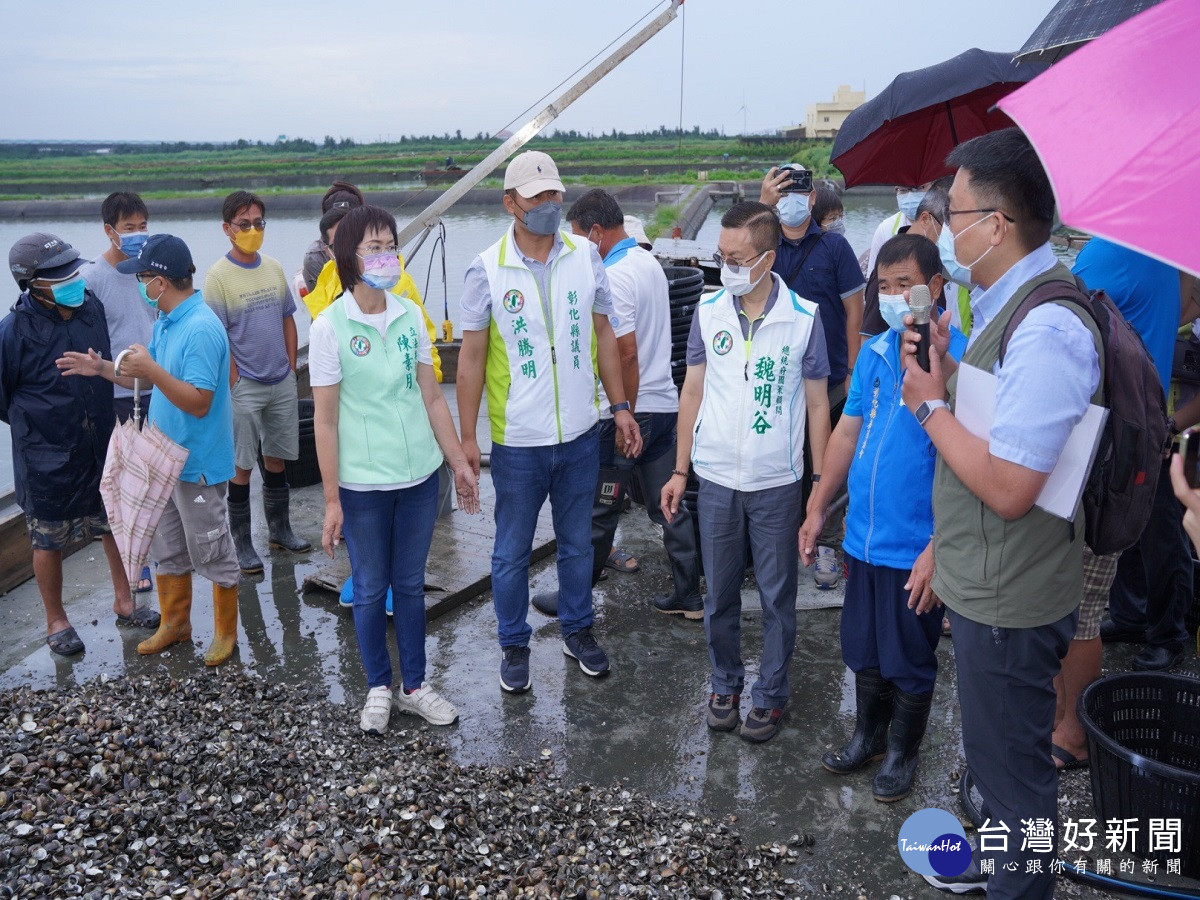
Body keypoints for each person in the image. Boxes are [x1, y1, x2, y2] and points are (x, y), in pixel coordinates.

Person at [900, 127, 1101, 898]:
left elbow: (1014, 485)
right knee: (999, 763)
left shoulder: (1046, 327)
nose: (942, 229)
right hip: (988, 572)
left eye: (952, 213)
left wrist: (926, 406)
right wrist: (947, 373)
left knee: (1017, 791)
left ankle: (1019, 883)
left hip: (1010, 599)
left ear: (996, 223)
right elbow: (995, 429)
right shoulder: (1005, 304)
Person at [456, 150, 641, 694]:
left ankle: (578, 630)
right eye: (536, 197)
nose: (549, 205)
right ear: (510, 202)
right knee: (511, 551)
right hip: (518, 443)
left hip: (582, 434)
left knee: (578, 543)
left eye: (555, 194)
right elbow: (468, 359)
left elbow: (605, 334)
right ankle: (513, 645)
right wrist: (467, 438)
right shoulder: (485, 269)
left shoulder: (586, 256)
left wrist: (621, 406)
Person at [802, 234, 965, 800]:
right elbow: (849, 430)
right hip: (864, 541)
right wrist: (820, 500)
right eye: (885, 285)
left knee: (909, 655)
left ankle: (902, 751)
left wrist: (938, 547)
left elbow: (968, 465)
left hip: (913, 546)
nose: (894, 296)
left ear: (936, 287)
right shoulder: (873, 352)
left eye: (906, 285)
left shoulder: (957, 359)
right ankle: (868, 735)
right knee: (864, 647)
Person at [661, 201, 831, 744]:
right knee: (720, 594)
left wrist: (819, 490)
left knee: (780, 596)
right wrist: (680, 470)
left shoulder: (803, 317)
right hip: (715, 478)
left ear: (767, 258)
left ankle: (772, 693)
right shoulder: (709, 310)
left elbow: (819, 406)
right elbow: (691, 391)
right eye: (721, 256)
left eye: (736, 258)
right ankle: (725, 682)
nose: (726, 266)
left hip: (778, 482)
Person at [311, 205, 479, 733]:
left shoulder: (409, 313)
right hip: (363, 484)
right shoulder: (329, 326)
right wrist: (332, 499)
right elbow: (325, 419)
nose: (386, 257)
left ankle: (415, 686)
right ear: (349, 258)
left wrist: (458, 463)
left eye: (390, 246)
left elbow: (432, 397)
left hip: (419, 477)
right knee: (369, 587)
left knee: (409, 584)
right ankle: (378, 687)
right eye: (374, 248)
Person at [59, 234, 242, 666]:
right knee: (168, 548)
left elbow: (199, 401)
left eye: (142, 276)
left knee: (212, 548)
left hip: (196, 464)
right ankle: (176, 624)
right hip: (162, 460)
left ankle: (225, 632)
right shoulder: (166, 319)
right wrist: (103, 368)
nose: (139, 284)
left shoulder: (200, 327)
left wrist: (153, 369)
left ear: (161, 280)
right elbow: (145, 379)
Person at [531, 189, 702, 619]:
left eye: (577, 237)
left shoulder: (616, 273)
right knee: (669, 504)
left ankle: (574, 601)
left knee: (599, 510)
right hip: (664, 406)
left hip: (631, 413)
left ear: (595, 231)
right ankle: (690, 594)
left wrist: (620, 408)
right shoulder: (649, 263)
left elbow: (626, 352)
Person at [3, 233, 158, 656]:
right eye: (58, 276)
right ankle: (57, 621)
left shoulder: (90, 307)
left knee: (113, 527)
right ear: (32, 285)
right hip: (46, 457)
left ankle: (125, 601)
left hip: (101, 442)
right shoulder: (14, 331)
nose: (72, 280)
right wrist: (40, 427)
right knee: (47, 539)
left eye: (73, 270)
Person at [1073, 238, 1192, 673]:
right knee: (1132, 524)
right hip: (1145, 411)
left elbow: (1069, 313)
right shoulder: (1162, 256)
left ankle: (1167, 634)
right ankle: (1131, 616)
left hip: (1131, 418)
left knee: (1155, 531)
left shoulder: (1109, 254)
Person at [759, 163, 865, 589]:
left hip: (833, 379)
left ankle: (828, 547)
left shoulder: (835, 249)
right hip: (778, 380)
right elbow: (734, 269)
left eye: (797, 193)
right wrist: (763, 207)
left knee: (830, 466)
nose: (790, 202)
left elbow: (855, 309)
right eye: (781, 193)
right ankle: (779, 544)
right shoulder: (763, 247)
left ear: (812, 199)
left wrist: (855, 368)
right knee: (786, 462)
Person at [205, 190, 311, 575]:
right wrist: (234, 379)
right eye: (244, 224)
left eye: (258, 223)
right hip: (244, 384)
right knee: (242, 464)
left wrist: (288, 365)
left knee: (277, 458)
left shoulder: (274, 267)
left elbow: (287, 317)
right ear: (227, 229)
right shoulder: (217, 277)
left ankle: (280, 530)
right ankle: (242, 541)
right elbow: (217, 336)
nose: (252, 230)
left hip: (280, 378)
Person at [79, 191, 159, 594]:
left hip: (156, 386)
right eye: (129, 228)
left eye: (143, 226)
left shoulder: (149, 270)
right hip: (117, 392)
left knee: (157, 476)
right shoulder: (92, 278)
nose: (138, 234)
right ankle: (136, 563)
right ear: (110, 231)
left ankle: (161, 551)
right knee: (126, 483)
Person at [302, 204, 442, 382]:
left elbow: (424, 341)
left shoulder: (399, 284)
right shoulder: (326, 281)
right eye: (339, 243)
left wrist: (428, 384)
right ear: (329, 251)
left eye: (389, 247)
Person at [302, 181, 365, 293]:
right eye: (336, 220)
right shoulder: (316, 257)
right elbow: (321, 304)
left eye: (351, 219)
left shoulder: (378, 245)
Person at [865, 181, 935, 275]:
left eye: (919, 188)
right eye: (903, 190)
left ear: (934, 187)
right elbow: (873, 277)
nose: (910, 196)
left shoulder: (948, 224)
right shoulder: (885, 229)